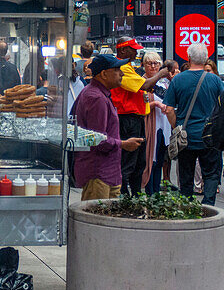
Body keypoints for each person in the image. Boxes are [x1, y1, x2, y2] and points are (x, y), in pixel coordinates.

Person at [71, 54, 145, 200]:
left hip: (106, 173)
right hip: (98, 174)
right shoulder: (96, 98)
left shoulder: (98, 94)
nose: (121, 73)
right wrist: (123, 144)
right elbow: (97, 140)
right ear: (104, 74)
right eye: (117, 69)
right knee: (97, 220)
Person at [163, 44, 224, 204]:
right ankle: (209, 204)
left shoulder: (178, 80)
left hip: (186, 136)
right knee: (211, 173)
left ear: (188, 58)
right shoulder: (215, 80)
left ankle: (187, 206)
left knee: (186, 175)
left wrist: (176, 127)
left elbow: (169, 109)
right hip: (210, 136)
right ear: (206, 59)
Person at [110, 38, 168, 197]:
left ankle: (134, 194)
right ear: (122, 51)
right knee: (129, 161)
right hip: (127, 120)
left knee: (139, 162)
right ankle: (123, 195)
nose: (136, 53)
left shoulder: (127, 67)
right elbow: (145, 85)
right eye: (133, 50)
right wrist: (161, 73)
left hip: (135, 119)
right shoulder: (122, 67)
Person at [141, 52, 170, 194]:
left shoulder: (165, 82)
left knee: (160, 160)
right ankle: (150, 191)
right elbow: (141, 107)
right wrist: (156, 104)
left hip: (164, 125)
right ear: (144, 65)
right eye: (149, 63)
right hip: (149, 125)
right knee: (150, 160)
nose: (153, 66)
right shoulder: (143, 82)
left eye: (156, 63)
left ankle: (156, 193)